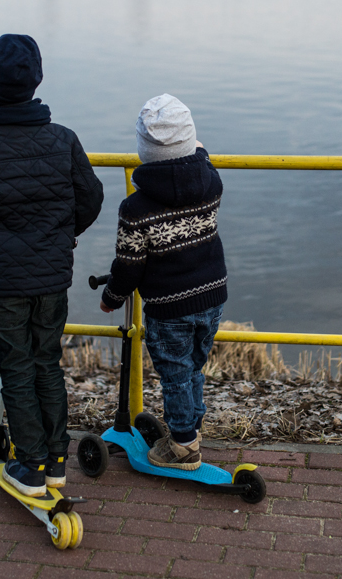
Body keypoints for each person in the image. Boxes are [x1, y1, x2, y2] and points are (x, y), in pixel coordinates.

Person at [0, 34, 104, 496]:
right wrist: (64, 230)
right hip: (52, 275)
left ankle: (31, 463)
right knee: (47, 363)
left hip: (2, 279)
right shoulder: (63, 139)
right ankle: (56, 459)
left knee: (17, 367)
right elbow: (91, 198)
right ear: (35, 82)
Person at [99, 94, 226, 470]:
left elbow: (129, 267)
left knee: (173, 376)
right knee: (192, 369)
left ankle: (184, 447)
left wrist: (111, 296)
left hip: (169, 308)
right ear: (190, 141)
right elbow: (202, 159)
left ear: (143, 151)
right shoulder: (213, 184)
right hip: (214, 295)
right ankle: (191, 427)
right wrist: (197, 149)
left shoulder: (135, 210)